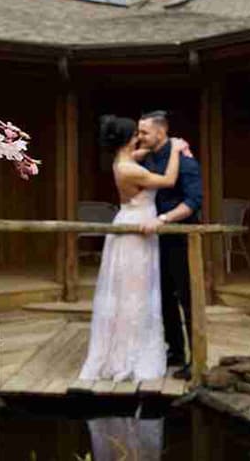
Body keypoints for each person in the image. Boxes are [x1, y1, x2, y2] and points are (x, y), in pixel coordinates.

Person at [78, 115, 188, 382]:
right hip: (136, 229)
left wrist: (155, 144)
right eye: (135, 134)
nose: (139, 137)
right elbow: (168, 180)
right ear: (128, 139)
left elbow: (139, 152)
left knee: (136, 288)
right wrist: (174, 148)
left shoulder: (124, 159)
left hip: (135, 221)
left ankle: (132, 345)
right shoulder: (129, 169)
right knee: (133, 291)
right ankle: (127, 355)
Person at [137, 110, 203, 380]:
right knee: (164, 297)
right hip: (157, 240)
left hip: (181, 238)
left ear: (161, 133)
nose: (140, 137)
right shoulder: (150, 156)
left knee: (187, 298)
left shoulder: (186, 163)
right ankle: (175, 351)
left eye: (144, 132)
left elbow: (193, 202)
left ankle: (195, 358)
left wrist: (163, 219)